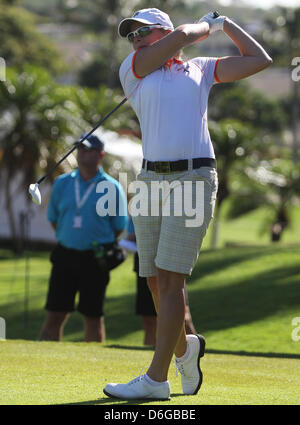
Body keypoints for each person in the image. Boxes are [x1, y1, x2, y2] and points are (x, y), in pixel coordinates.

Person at [103, 8, 272, 400]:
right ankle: (186, 348)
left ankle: (156, 379)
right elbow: (180, 34)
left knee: (171, 278)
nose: (137, 38)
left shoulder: (200, 69)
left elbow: (260, 60)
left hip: (193, 177)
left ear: (159, 30)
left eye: (145, 31)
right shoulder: (134, 69)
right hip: (149, 181)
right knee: (152, 281)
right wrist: (202, 26)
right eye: (132, 34)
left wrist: (226, 24)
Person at [39, 134, 127, 342]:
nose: (82, 153)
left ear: (100, 155)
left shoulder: (111, 187)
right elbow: (53, 218)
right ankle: (45, 360)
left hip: (95, 258)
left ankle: (95, 365)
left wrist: (93, 239)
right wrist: (70, 236)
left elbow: (118, 226)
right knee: (55, 313)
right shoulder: (62, 183)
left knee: (93, 315)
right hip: (65, 254)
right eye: (80, 149)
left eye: (88, 150)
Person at [126, 215, 197, 347]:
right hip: (144, 255)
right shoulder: (141, 200)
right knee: (148, 317)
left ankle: (193, 353)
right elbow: (132, 232)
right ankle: (155, 356)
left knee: (183, 317)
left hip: (170, 256)